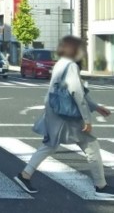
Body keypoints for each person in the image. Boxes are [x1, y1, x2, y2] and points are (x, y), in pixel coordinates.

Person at [14, 35, 114, 198]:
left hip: (56, 114)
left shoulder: (61, 64)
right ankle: (101, 187)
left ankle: (24, 175)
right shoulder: (71, 66)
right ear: (75, 50)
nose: (84, 51)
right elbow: (77, 92)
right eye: (82, 48)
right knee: (91, 146)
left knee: (50, 145)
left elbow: (73, 90)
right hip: (68, 116)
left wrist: (96, 107)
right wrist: (87, 120)